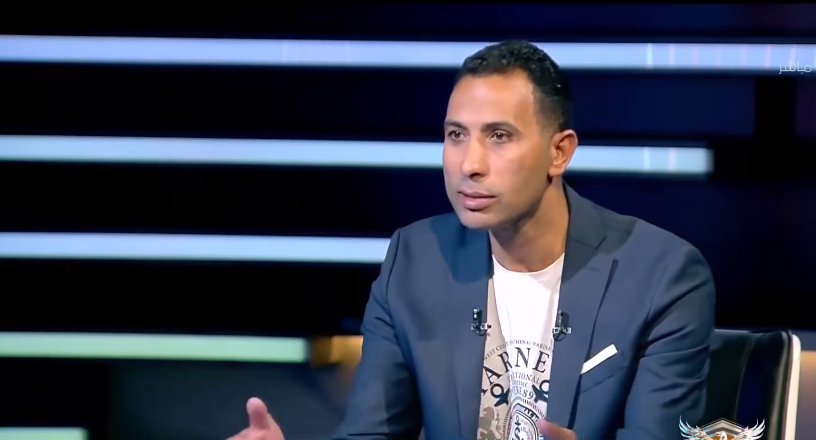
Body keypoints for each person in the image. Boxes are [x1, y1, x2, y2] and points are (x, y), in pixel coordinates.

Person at [227, 40, 715, 440]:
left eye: (499, 136)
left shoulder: (661, 275)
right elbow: (371, 433)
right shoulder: (415, 260)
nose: (469, 164)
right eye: (456, 135)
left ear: (559, 152)